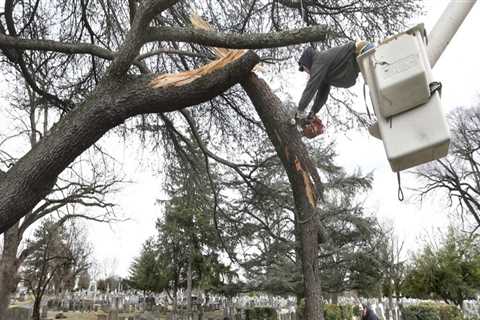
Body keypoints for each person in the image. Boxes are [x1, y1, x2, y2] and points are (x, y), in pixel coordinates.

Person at [295, 40, 375, 123]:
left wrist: (300, 110)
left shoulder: (319, 60)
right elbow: (322, 94)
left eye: (304, 68)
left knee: (378, 82)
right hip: (359, 59)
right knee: (376, 86)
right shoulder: (323, 73)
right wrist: (313, 112)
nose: (306, 71)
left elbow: (311, 88)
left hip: (363, 50)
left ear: (308, 62)